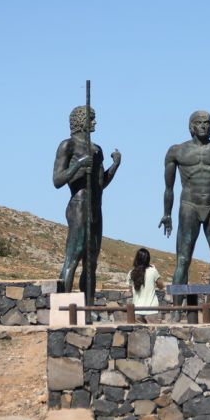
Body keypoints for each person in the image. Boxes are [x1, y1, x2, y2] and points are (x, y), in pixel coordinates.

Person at [159, 110, 210, 320]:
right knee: (183, 260)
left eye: (208, 122)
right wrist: (167, 214)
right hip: (189, 206)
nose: (205, 126)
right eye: (200, 123)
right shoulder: (176, 151)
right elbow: (168, 188)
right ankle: (177, 311)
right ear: (191, 126)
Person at [53, 106, 121, 297]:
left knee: (91, 262)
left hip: (95, 208)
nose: (94, 123)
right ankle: (64, 306)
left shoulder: (97, 150)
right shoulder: (68, 145)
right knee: (73, 257)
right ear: (81, 121)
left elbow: (100, 185)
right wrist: (79, 165)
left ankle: (88, 308)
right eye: (91, 119)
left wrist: (114, 166)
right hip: (78, 205)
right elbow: (57, 180)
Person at [126, 248, 164, 323]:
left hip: (137, 310)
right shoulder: (153, 271)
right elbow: (161, 286)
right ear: (148, 259)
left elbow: (130, 291)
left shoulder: (131, 273)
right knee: (153, 333)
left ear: (137, 259)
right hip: (152, 309)